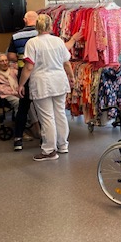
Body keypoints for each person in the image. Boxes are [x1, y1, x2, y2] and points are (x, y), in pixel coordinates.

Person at [18, 14, 74, 161]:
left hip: (42, 83)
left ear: (37, 26)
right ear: (50, 25)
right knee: (60, 113)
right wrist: (72, 77)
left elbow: (28, 67)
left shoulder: (32, 43)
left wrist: (21, 84)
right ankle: (63, 145)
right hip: (59, 81)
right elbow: (66, 62)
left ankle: (49, 150)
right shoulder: (58, 41)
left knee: (47, 117)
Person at [7, 10, 41, 151]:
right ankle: (45, 140)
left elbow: (11, 56)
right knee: (42, 108)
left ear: (25, 20)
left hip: (24, 75)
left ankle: (18, 140)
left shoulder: (16, 36)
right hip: (40, 74)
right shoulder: (43, 35)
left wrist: (21, 57)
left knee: (23, 107)